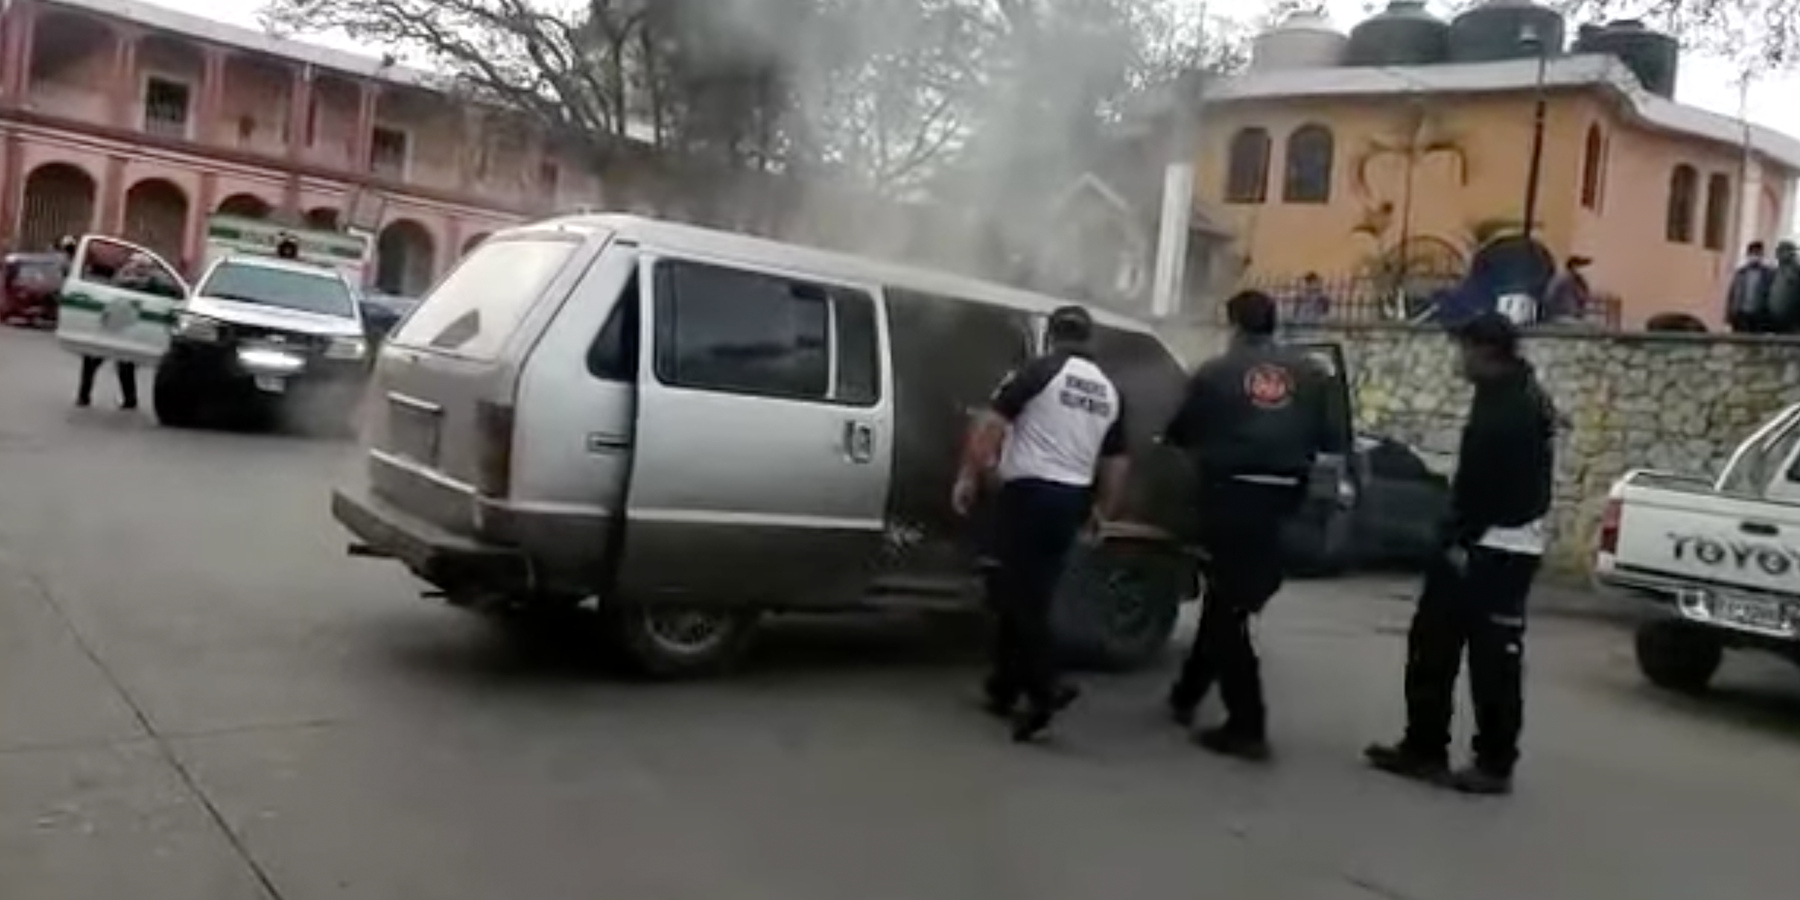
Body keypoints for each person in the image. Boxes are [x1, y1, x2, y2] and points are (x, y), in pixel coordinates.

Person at [1365, 312, 1556, 796]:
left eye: (1463, 349)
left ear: (1484, 351)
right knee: (1433, 645)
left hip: (1496, 548)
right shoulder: (1504, 395)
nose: (1458, 359)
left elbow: (1497, 490)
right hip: (1481, 541)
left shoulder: (1512, 409)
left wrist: (1458, 539)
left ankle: (1494, 763)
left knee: (1493, 660)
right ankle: (1423, 747)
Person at [1161, 290, 1342, 761]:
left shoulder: (1217, 372)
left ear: (1233, 324)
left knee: (1228, 612)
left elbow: (1180, 433)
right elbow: (1332, 439)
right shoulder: (1311, 374)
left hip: (1231, 495)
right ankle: (1186, 695)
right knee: (1228, 597)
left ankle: (1248, 725)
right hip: (1286, 501)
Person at [951, 305, 1130, 743]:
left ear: (1052, 335)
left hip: (1029, 494)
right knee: (1031, 591)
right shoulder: (1108, 391)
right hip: (1070, 499)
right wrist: (1103, 510)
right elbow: (1118, 461)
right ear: (1090, 339)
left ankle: (1045, 688)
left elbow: (992, 423)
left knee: (1017, 596)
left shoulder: (1039, 371)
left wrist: (970, 476)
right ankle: (1004, 688)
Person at [1725, 241, 1772, 334]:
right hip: (1741, 314)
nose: (1755, 256)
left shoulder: (1768, 274)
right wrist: (1728, 315)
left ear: (1762, 255)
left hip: (1759, 316)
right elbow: (1732, 295)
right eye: (1752, 253)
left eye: (1757, 253)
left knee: (1756, 344)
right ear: (1748, 255)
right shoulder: (1740, 273)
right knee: (1740, 343)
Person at [1541, 256, 1592, 324]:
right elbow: (1581, 296)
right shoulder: (1567, 277)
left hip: (1559, 312)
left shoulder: (1563, 276)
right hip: (1564, 314)